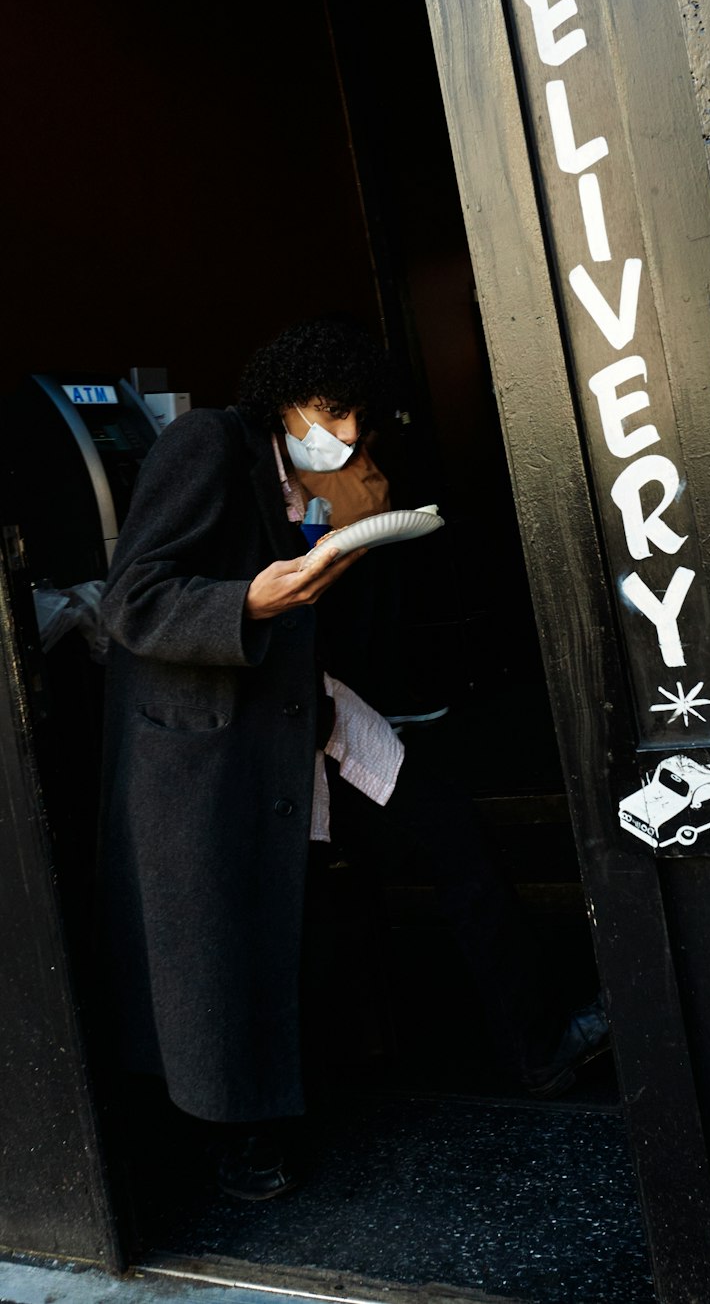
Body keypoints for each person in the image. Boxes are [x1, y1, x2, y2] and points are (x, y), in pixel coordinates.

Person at [96, 313, 608, 1201]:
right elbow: (132, 601)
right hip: (216, 737)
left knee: (451, 834)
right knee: (231, 931)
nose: (343, 435)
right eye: (326, 412)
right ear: (281, 402)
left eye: (355, 418)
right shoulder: (205, 443)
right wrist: (245, 604)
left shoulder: (316, 480)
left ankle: (541, 1048)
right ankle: (242, 1138)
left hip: (311, 707)